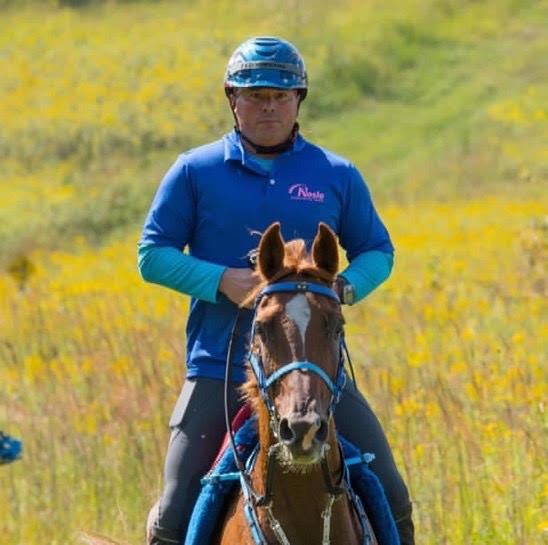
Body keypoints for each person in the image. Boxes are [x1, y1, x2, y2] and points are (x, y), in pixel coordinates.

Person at [138, 36, 415, 545]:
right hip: (216, 368)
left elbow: (379, 251)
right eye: (256, 95)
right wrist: (224, 280)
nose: (269, 106)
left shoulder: (336, 174)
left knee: (392, 496)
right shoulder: (193, 171)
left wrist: (343, 289)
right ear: (232, 99)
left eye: (281, 96)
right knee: (175, 512)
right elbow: (151, 255)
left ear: (299, 100)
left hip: (315, 369)